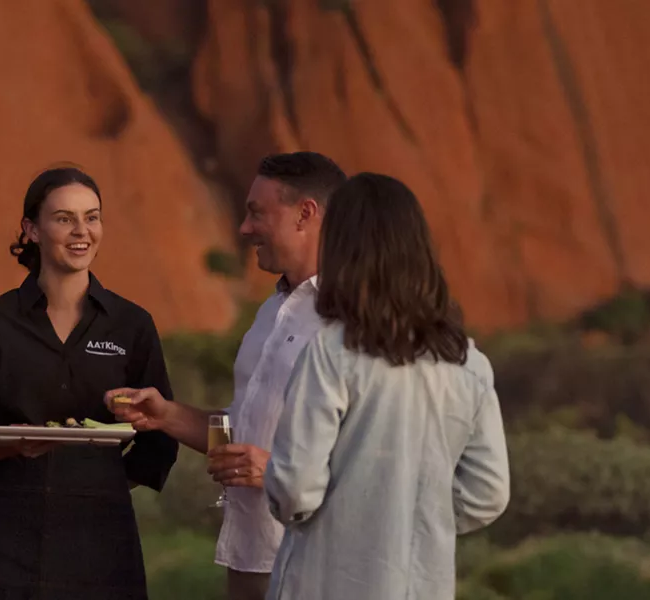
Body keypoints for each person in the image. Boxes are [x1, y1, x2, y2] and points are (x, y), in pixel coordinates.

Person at [105, 151, 347, 600]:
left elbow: (381, 453)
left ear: (305, 213)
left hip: (320, 564)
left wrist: (275, 471)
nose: (244, 228)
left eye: (257, 213)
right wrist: (167, 416)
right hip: (250, 557)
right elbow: (241, 430)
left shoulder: (355, 315)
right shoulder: (272, 311)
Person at [263, 173, 511, 599]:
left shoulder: (331, 353)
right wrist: (411, 514)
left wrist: (360, 514)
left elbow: (295, 490)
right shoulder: (468, 364)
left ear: (341, 250)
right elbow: (488, 493)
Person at [0, 166, 178, 599]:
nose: (81, 231)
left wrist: (100, 481)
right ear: (32, 230)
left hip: (102, 535)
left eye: (91, 218)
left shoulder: (132, 324)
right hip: (5, 533)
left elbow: (160, 434)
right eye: (64, 218)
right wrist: (13, 444)